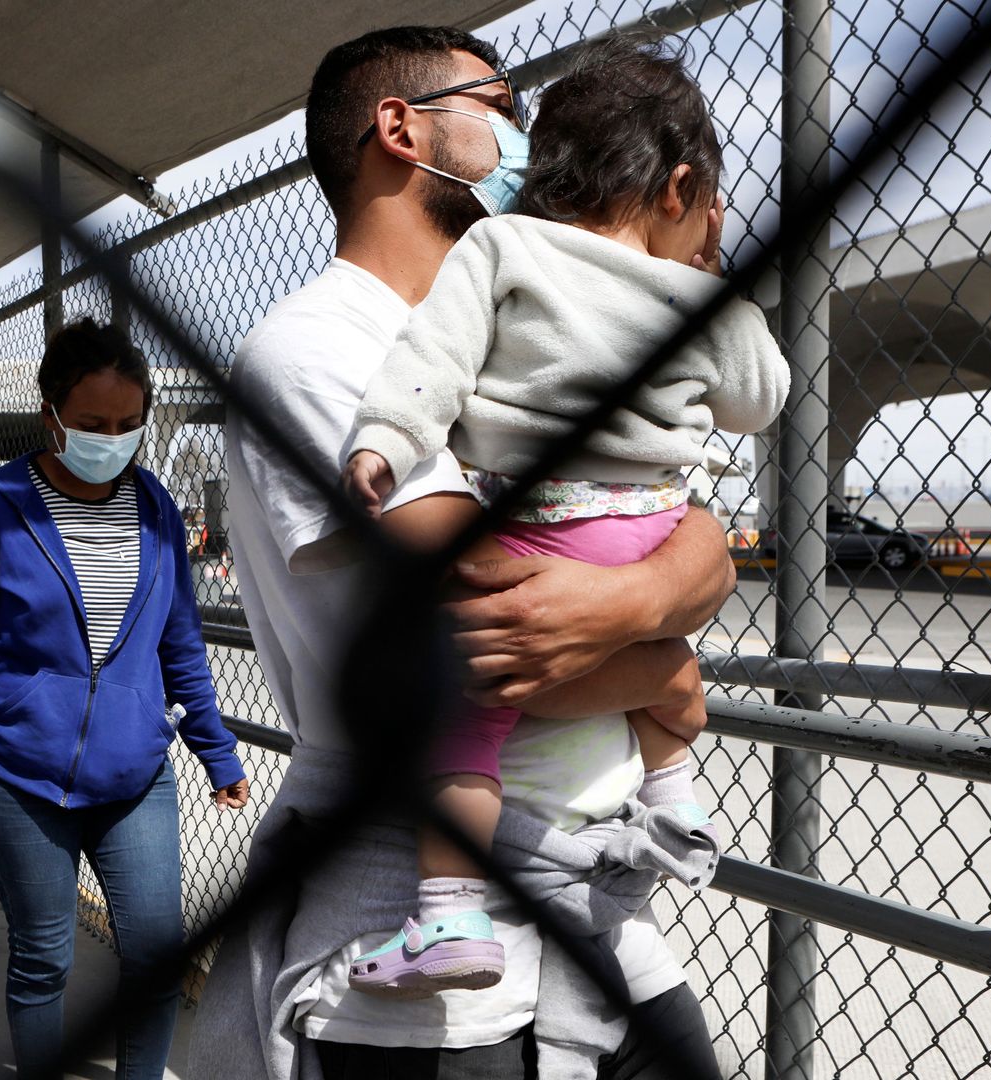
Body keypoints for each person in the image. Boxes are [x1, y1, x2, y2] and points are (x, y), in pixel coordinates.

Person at [196, 26, 735, 1079]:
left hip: (582, 900)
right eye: (502, 107)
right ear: (401, 128)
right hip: (415, 926)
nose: (529, 140)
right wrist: (665, 659)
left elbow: (689, 532)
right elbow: (497, 611)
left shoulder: (521, 336)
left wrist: (664, 585)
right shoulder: (316, 347)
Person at [335, 36, 785, 998]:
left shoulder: (503, 246)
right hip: (655, 524)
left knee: (465, 709)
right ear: (680, 189)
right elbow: (760, 398)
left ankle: (450, 914)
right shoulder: (701, 297)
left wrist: (382, 438)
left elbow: (433, 360)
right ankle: (672, 804)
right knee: (657, 667)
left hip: (541, 522)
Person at [0, 319, 252, 1080]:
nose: (112, 439)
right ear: (49, 414)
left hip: (134, 777)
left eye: (129, 424)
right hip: (16, 776)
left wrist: (217, 751)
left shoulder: (156, 505)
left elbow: (180, 641)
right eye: (92, 424)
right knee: (44, 958)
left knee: (158, 956)